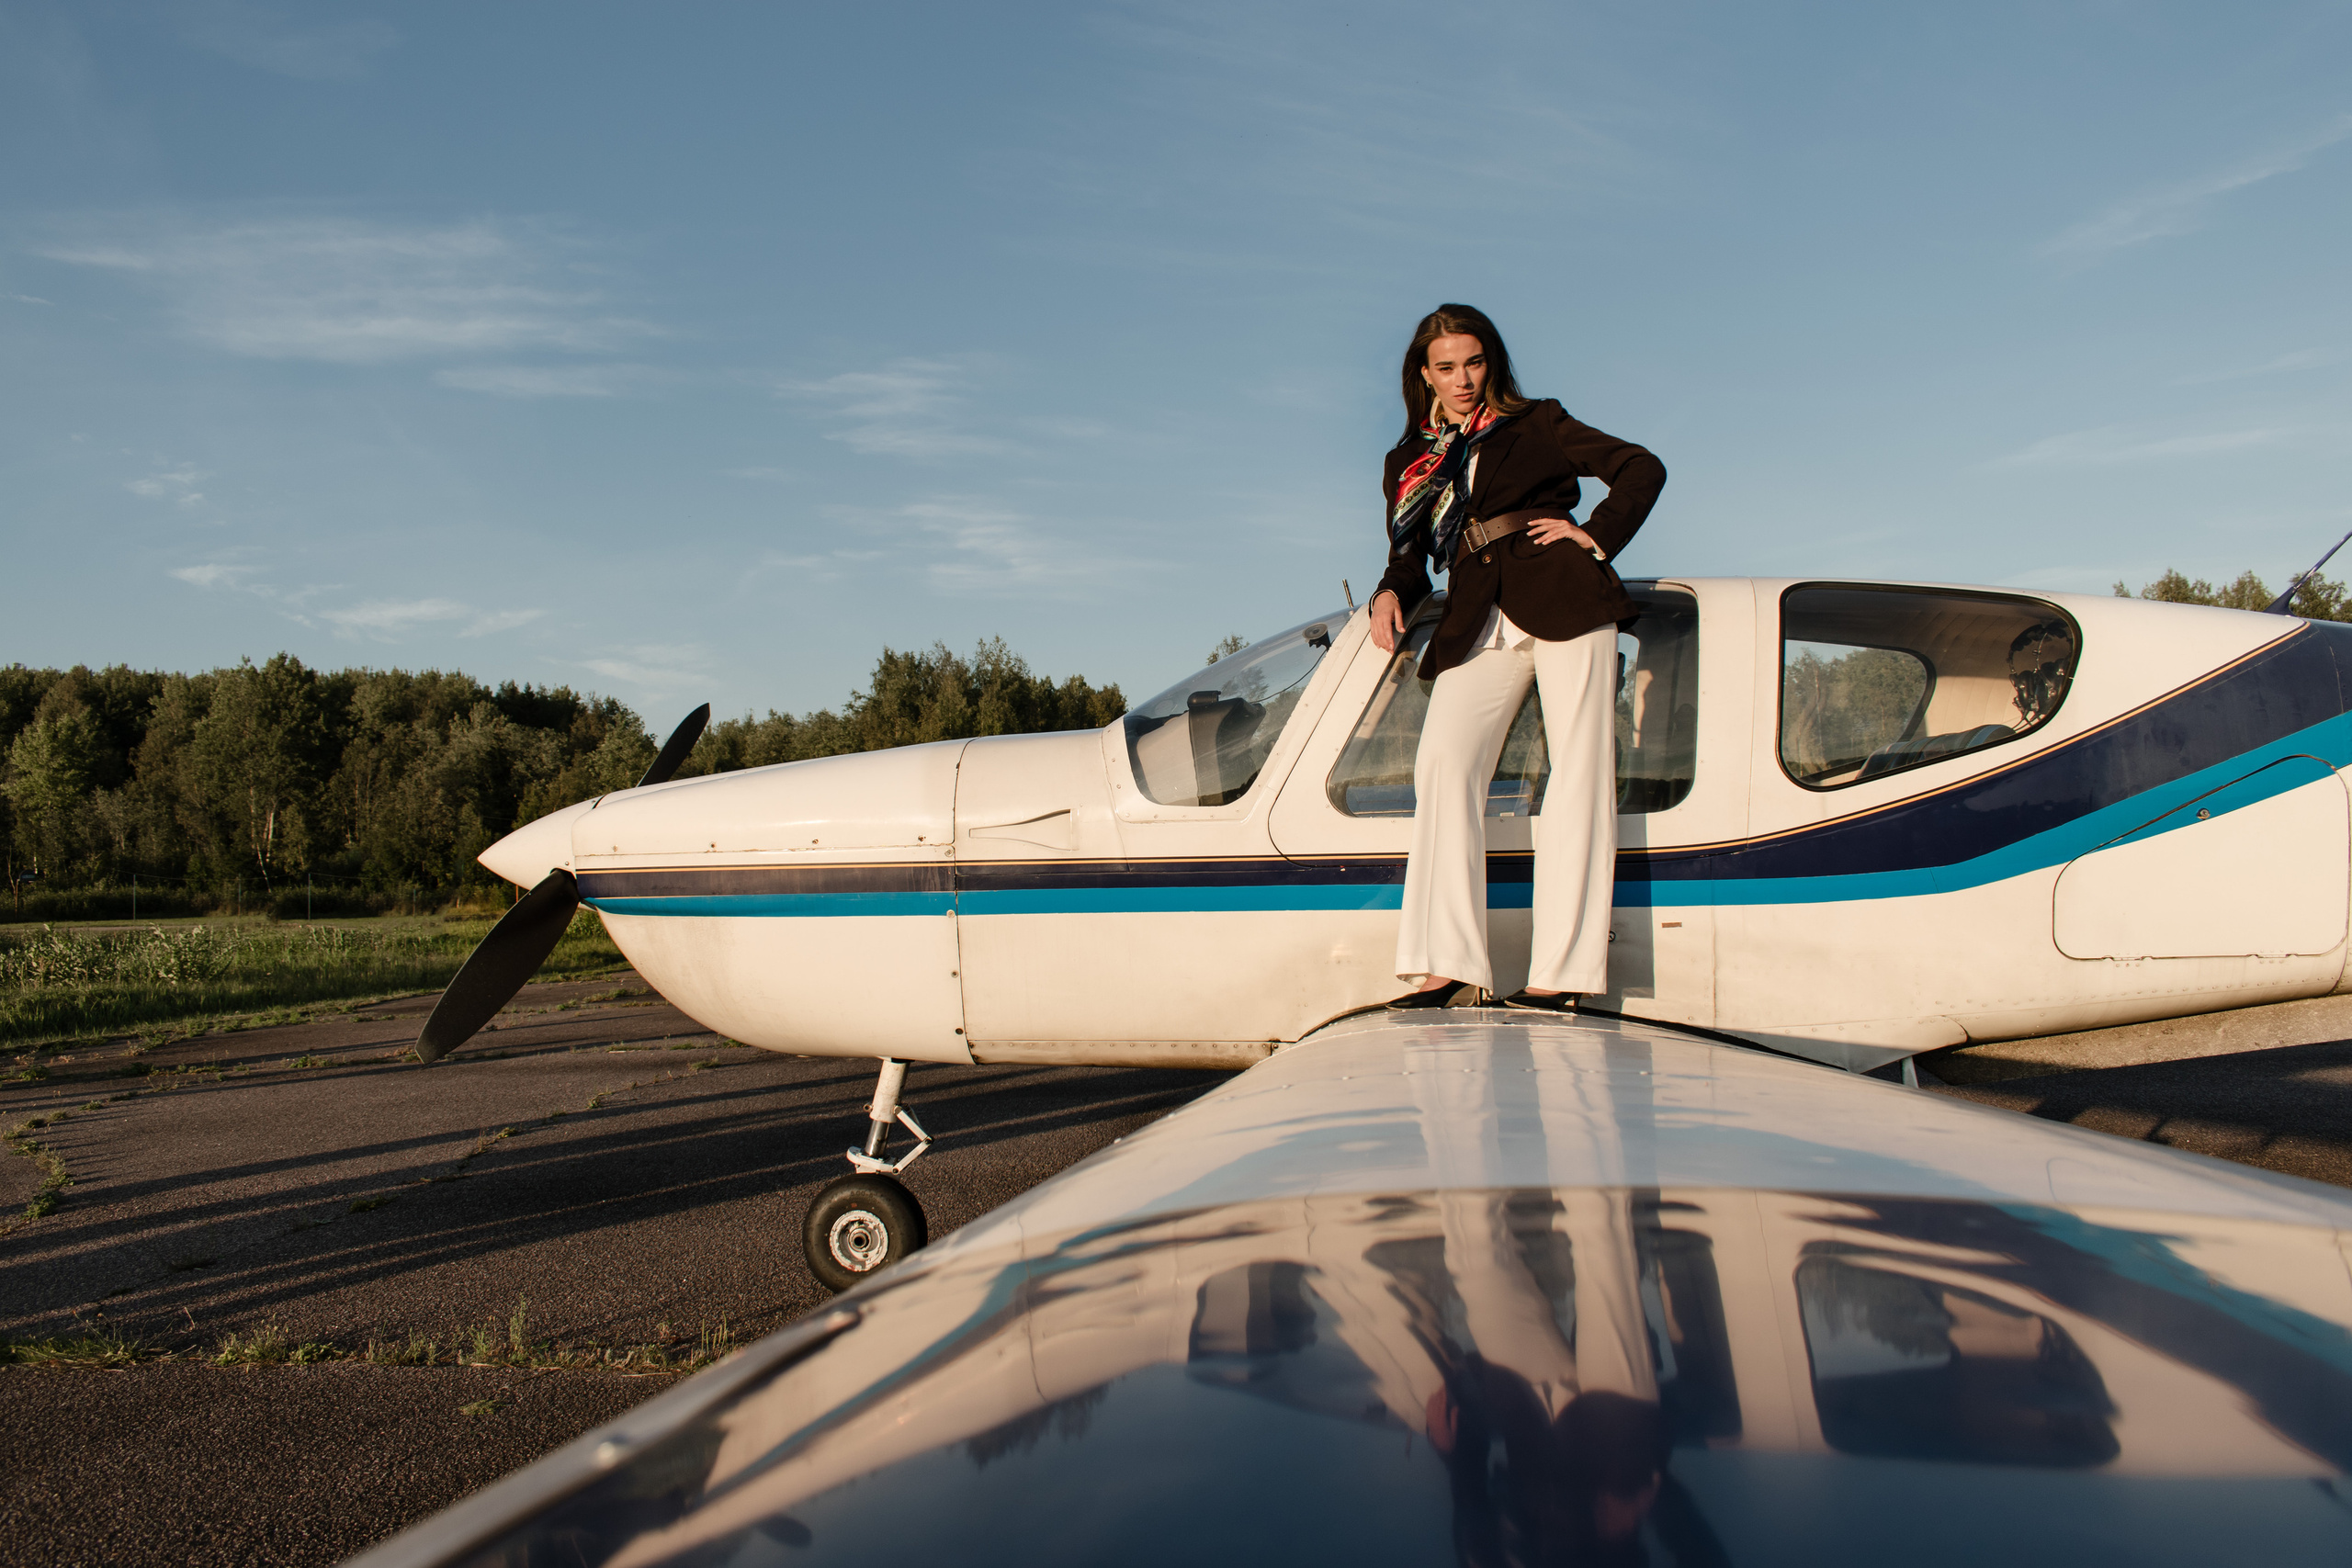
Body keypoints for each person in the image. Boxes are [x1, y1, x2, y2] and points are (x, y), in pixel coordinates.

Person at [1369, 305, 1666, 1010]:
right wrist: (1389, 589)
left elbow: (1639, 468)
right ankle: (1444, 964)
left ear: (1491, 361)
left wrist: (1592, 535)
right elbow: (1411, 551)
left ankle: (1559, 976)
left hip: (1564, 591)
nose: (1463, 378)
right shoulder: (1408, 460)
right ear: (1423, 373)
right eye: (1447, 367)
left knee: (1580, 773)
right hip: (1476, 611)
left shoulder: (1538, 422)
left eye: (1474, 362)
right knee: (1443, 766)